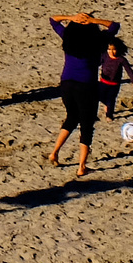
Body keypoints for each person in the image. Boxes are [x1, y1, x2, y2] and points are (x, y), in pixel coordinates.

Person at [47, 11, 119, 176]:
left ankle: (55, 152)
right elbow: (115, 26)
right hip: (86, 86)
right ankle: (81, 167)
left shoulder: (68, 36)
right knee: (87, 126)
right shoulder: (98, 41)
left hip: (66, 83)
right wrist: (93, 20)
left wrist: (71, 18)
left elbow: (53, 19)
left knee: (72, 118)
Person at [98, 37, 133, 120]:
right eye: (109, 49)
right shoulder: (105, 56)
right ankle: (107, 104)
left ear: (118, 50)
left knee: (111, 100)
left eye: (114, 49)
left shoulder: (121, 60)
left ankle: (109, 115)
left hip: (114, 84)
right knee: (100, 96)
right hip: (103, 82)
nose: (111, 52)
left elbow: (129, 70)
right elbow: (97, 64)